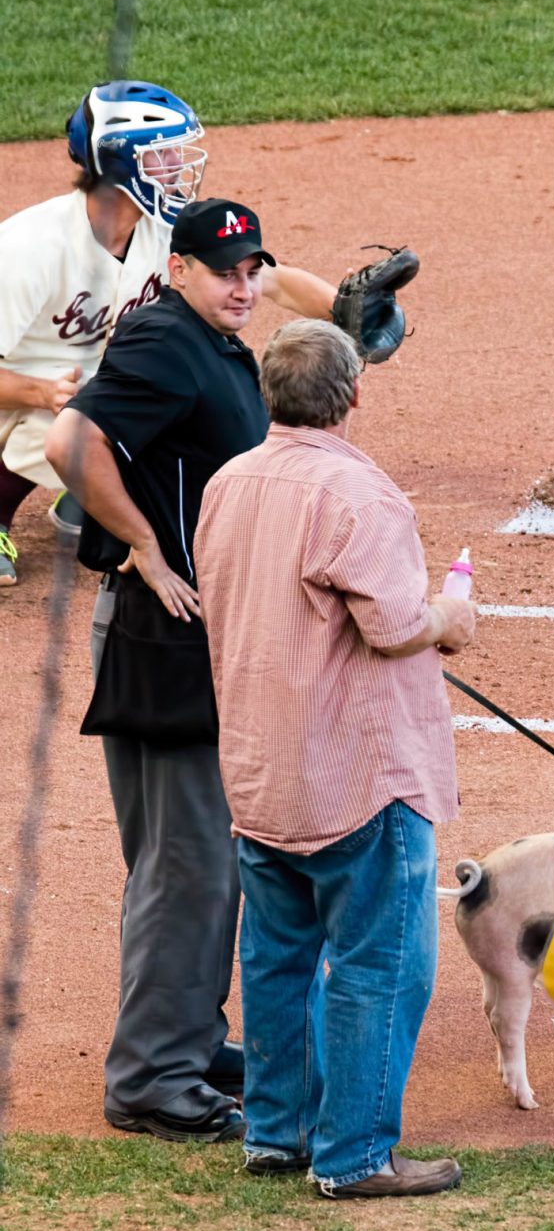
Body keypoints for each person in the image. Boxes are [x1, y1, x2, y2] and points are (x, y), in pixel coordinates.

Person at [45, 196, 340, 1142]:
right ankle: (152, 1079)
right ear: (180, 270)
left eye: (254, 270)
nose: (244, 286)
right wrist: (145, 548)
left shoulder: (207, 344)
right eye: (225, 271)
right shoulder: (168, 341)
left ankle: (185, 1040)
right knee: (192, 869)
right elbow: (71, 442)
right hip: (168, 641)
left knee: (187, 864)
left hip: (178, 640)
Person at [194, 319, 476, 1198]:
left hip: (260, 768)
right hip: (359, 780)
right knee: (379, 964)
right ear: (353, 396)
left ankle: (276, 1135)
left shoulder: (227, 483)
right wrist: (451, 616)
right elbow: (394, 628)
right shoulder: (362, 497)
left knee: (276, 958)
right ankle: (353, 1155)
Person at [0, 79, 336, 585]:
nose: (179, 165)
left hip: (77, 384)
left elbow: (273, 279)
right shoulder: (27, 250)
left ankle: (91, 493)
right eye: (163, 154)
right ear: (118, 164)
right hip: (19, 391)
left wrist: (348, 309)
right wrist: (42, 392)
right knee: (85, 405)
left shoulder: (162, 227)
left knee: (175, 386)